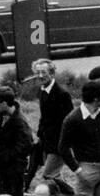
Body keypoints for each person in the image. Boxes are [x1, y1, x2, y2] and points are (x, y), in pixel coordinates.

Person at [31, 59, 74, 189]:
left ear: (52, 73)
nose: (40, 76)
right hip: (47, 141)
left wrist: (65, 143)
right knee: (54, 175)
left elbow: (69, 120)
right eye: (37, 72)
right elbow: (44, 117)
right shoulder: (43, 90)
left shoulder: (62, 94)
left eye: (43, 72)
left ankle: (70, 195)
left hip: (58, 143)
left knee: (48, 174)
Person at [0, 88, 34, 196]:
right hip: (4, 167)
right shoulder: (3, 114)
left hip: (14, 167)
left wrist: (7, 156)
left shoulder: (19, 121)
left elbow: (27, 144)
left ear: (4, 103)